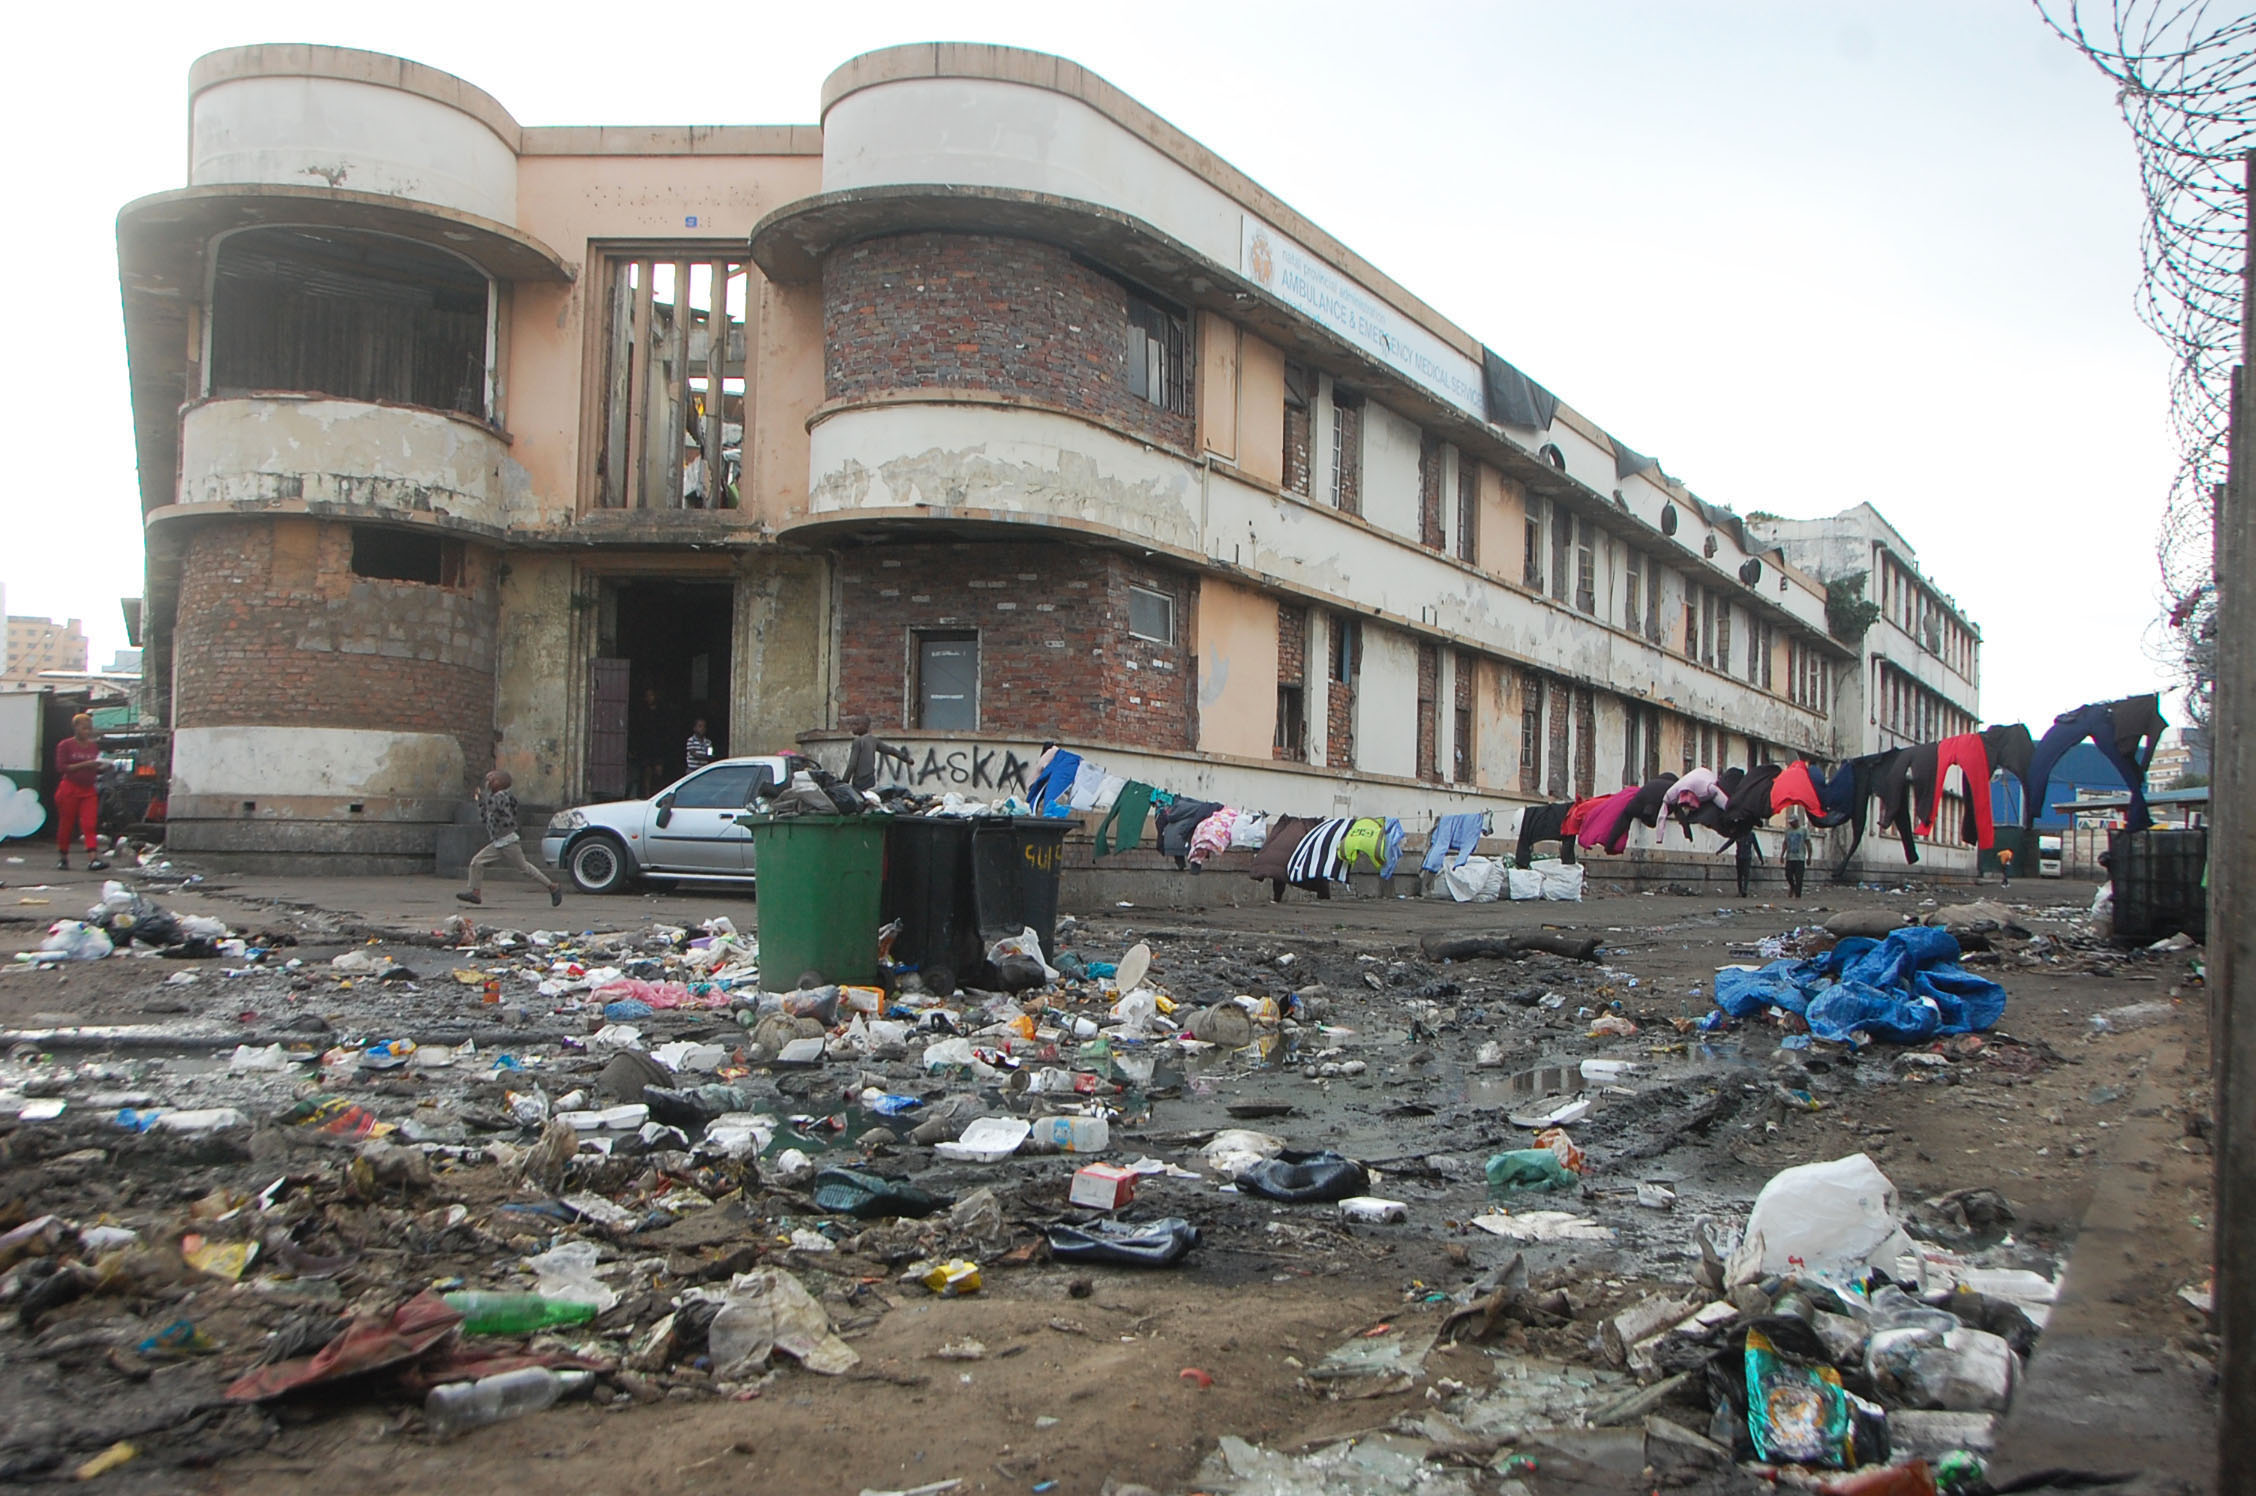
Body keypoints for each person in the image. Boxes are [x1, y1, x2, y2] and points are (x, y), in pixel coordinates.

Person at [457, 770, 562, 907]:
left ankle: (552, 886)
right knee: (477, 862)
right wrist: (481, 802)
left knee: (524, 868)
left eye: (490, 779)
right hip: (498, 840)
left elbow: (492, 806)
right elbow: (485, 815)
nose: (487, 782)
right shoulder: (494, 797)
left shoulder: (502, 796)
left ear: (499, 783)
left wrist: (484, 794)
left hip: (507, 839)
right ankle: (475, 893)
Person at [53, 714, 107, 872]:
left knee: (89, 824)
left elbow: (94, 768)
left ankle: (93, 859)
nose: (87, 732)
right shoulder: (65, 745)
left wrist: (101, 767)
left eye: (89, 729)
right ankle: (63, 857)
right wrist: (86, 764)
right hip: (69, 789)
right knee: (66, 824)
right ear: (75, 727)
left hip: (88, 789)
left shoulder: (93, 747)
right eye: (84, 728)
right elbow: (62, 768)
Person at [843, 714, 913, 793]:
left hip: (859, 781)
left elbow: (852, 764)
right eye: (852, 724)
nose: (853, 727)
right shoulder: (873, 740)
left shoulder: (858, 741)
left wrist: (844, 782)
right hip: (870, 779)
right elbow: (891, 750)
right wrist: (906, 758)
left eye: (856, 724)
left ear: (865, 726)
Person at [1781, 813, 1811, 900]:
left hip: (1800, 858)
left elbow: (1808, 844)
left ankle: (1798, 895)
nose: (1791, 824)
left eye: (1792, 822)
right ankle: (1792, 886)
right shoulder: (1788, 831)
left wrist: (1809, 857)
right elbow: (1785, 843)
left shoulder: (1804, 830)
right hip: (1790, 857)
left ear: (1797, 821)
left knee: (1799, 877)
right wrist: (1782, 855)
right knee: (1788, 875)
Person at [1734, 831, 1764, 898]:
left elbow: (1756, 846)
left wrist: (1761, 858)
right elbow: (1730, 842)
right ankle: (1740, 890)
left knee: (1746, 873)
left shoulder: (1751, 834)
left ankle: (1744, 890)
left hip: (1747, 857)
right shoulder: (1738, 833)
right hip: (1739, 856)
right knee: (1740, 874)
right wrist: (1720, 850)